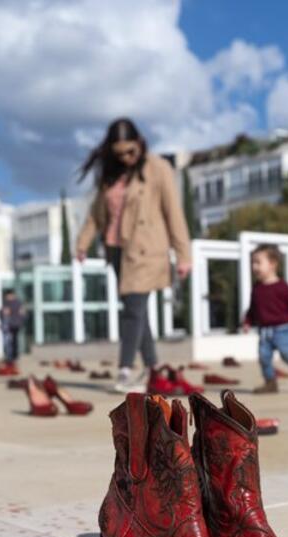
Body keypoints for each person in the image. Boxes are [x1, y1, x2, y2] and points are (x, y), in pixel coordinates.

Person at [75, 117, 191, 392]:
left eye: (131, 151)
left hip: (147, 249)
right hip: (117, 250)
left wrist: (183, 254)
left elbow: (173, 212)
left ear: (139, 143)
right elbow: (96, 212)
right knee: (136, 311)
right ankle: (154, 370)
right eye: (120, 153)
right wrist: (82, 243)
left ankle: (125, 370)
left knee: (133, 311)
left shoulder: (158, 168)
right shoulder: (111, 174)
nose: (127, 157)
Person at [241, 245, 288, 394]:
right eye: (252, 263)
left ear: (273, 264)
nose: (254, 267)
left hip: (283, 329)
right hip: (264, 331)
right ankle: (270, 383)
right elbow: (253, 308)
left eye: (258, 262)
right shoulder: (257, 288)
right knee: (264, 358)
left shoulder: (283, 287)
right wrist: (247, 321)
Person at [0, 290, 24, 364]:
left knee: (13, 341)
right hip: (8, 325)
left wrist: (20, 320)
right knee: (8, 341)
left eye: (8, 296)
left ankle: (13, 357)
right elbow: (2, 313)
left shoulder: (17, 303)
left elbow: (22, 314)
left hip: (14, 324)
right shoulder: (6, 303)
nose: (7, 297)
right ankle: (9, 357)